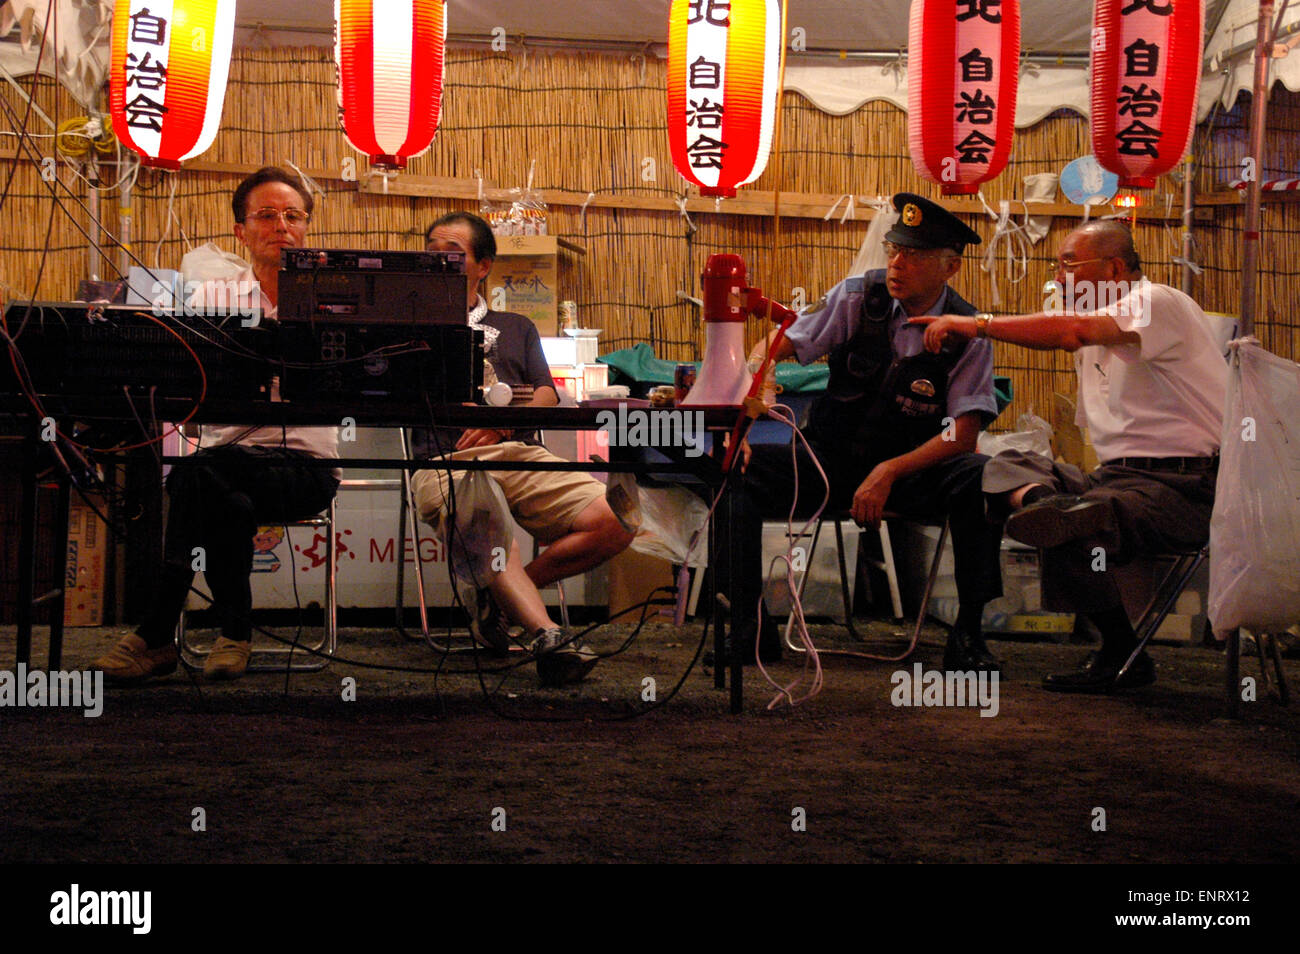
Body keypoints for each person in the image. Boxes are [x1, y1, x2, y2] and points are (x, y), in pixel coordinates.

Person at [912, 220, 1227, 693]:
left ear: (1115, 267)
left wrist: (976, 324)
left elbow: (1071, 330)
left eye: (1069, 265)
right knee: (1003, 464)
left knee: (1086, 520)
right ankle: (1046, 503)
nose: (1059, 277)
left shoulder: (1155, 302)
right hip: (1115, 479)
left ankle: (1119, 649)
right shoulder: (1098, 332)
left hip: (1187, 484)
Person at [720, 192, 1004, 672]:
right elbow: (780, 340)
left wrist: (890, 471)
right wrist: (758, 373)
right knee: (731, 476)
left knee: (980, 480)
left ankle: (969, 634)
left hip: (910, 473)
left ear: (950, 268)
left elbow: (964, 434)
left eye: (913, 256)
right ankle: (749, 628)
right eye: (894, 250)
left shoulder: (966, 331)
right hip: (830, 460)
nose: (896, 264)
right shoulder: (858, 296)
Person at [91, 166, 339, 682]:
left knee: (196, 480)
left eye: (294, 216)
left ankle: (158, 635)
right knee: (228, 500)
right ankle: (232, 635)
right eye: (266, 215)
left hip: (304, 470)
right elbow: (184, 392)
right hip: (228, 465)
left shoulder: (335, 301)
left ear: (308, 228)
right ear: (240, 232)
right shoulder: (209, 302)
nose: (282, 226)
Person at [410, 211, 634, 686]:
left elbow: (547, 392)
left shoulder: (515, 325)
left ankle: (499, 598)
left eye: (451, 254)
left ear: (483, 266)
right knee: (485, 516)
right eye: (431, 253)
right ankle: (547, 635)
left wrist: (503, 423)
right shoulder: (408, 328)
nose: (438, 262)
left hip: (519, 452)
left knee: (616, 522)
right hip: (445, 461)